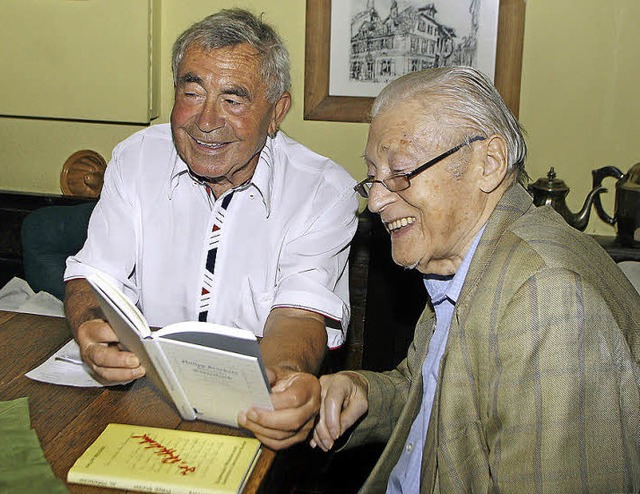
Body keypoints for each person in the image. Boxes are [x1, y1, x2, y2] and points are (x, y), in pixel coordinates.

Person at [309, 66, 640, 492]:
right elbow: (436, 392)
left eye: (402, 172)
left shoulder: (546, 299)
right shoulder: (468, 260)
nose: (375, 200)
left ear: (490, 163)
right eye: (373, 176)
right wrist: (363, 392)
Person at [63, 9, 358, 450]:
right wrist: (89, 330)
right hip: (145, 400)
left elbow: (299, 315)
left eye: (233, 100)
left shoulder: (323, 191)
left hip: (249, 414)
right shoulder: (137, 157)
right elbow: (94, 275)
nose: (205, 120)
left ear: (277, 112)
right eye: (193, 91)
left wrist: (276, 384)